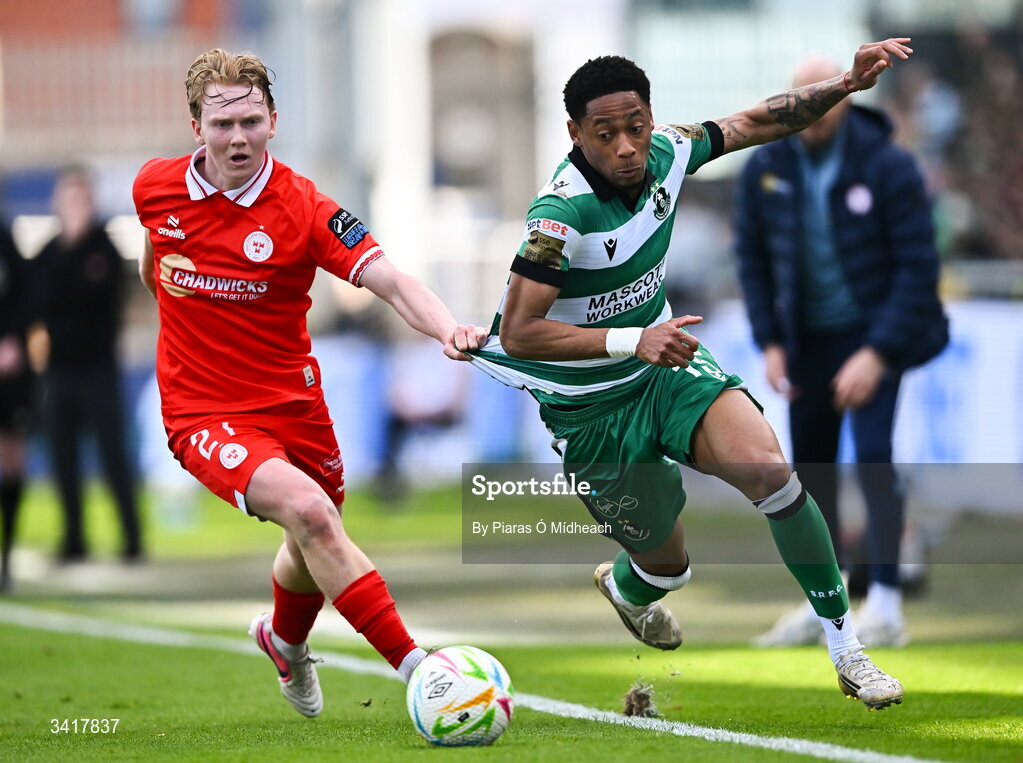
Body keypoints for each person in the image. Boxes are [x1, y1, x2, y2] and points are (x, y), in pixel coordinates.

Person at [469, 41, 915, 711]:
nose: (625, 146)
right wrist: (630, 339)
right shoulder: (556, 221)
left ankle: (846, 648)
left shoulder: (668, 153)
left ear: (651, 117)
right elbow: (519, 331)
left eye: (636, 125)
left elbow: (762, 120)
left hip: (667, 366)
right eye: (605, 133)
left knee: (768, 469)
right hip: (590, 408)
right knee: (665, 566)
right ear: (574, 135)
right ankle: (631, 585)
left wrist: (845, 84)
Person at [132, 48, 484, 718]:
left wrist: (446, 328)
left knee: (313, 536)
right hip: (202, 412)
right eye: (222, 123)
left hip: (294, 404)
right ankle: (425, 674)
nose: (238, 138)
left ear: (274, 120)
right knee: (313, 513)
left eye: (251, 122)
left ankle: (283, 639)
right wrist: (170, 303)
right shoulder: (154, 186)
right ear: (195, 127)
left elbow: (391, 280)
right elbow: (156, 255)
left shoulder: (304, 206)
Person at [734, 57, 948, 649]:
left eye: (823, 101)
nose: (813, 114)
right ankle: (823, 609)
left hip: (875, 332)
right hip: (806, 340)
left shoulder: (889, 165)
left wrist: (877, 354)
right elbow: (750, 260)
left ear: (845, 101)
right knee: (810, 474)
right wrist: (770, 342)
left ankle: (885, 603)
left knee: (874, 458)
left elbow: (918, 268)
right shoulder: (767, 167)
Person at [33, 167, 144, 563]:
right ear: (56, 203)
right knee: (62, 457)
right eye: (68, 198)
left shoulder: (104, 250)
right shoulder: (48, 252)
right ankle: (74, 539)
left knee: (113, 455)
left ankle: (132, 539)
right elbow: (38, 306)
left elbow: (96, 302)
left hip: (98, 369)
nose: (74, 206)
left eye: (80, 198)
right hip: (60, 371)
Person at [0, 218, 34, 592]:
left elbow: (29, 297)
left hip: (9, 376)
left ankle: (6, 557)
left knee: (13, 457)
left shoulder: (5, 237)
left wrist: (14, 341)